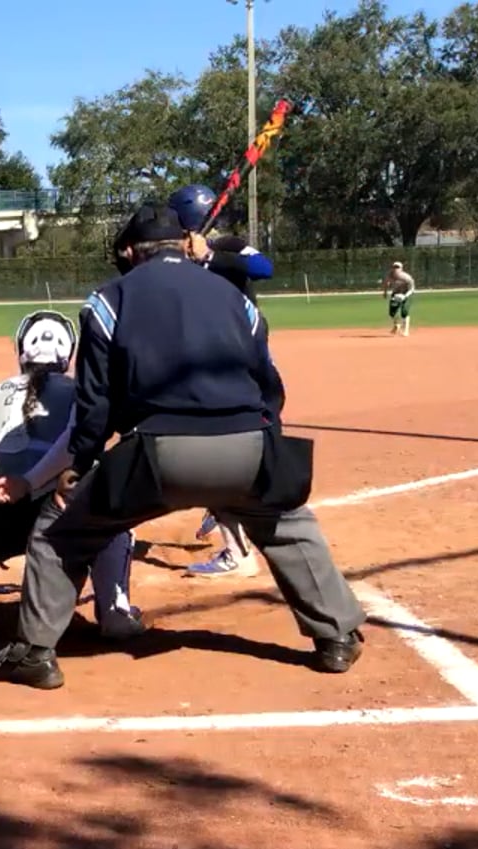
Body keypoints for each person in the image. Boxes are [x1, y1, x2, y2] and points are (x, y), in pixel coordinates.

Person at [0, 205, 368, 691]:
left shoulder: (107, 299)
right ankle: (336, 637)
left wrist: (79, 463)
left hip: (157, 454)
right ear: (183, 245)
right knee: (286, 522)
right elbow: (270, 385)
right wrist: (265, 444)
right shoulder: (233, 296)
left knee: (62, 528)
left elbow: (95, 404)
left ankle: (35, 652)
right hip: (247, 447)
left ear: (129, 251)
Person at [0, 310, 142, 644]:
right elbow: (80, 451)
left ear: (22, 350)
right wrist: (34, 482)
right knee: (116, 531)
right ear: (67, 354)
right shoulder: (82, 393)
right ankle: (115, 612)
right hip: (62, 520)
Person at [167, 183, 279, 579]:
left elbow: (265, 268)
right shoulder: (175, 260)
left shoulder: (229, 245)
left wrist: (210, 256)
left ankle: (235, 525)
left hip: (242, 356)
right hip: (207, 359)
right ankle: (229, 504)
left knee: (228, 440)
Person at [382, 261, 416, 336]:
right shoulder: (390, 275)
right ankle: (397, 325)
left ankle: (406, 331)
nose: (395, 269)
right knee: (392, 313)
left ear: (401, 269)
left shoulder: (406, 277)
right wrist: (385, 292)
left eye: (397, 267)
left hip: (407, 294)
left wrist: (405, 296)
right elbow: (386, 283)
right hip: (396, 293)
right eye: (394, 267)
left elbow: (412, 289)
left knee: (404, 312)